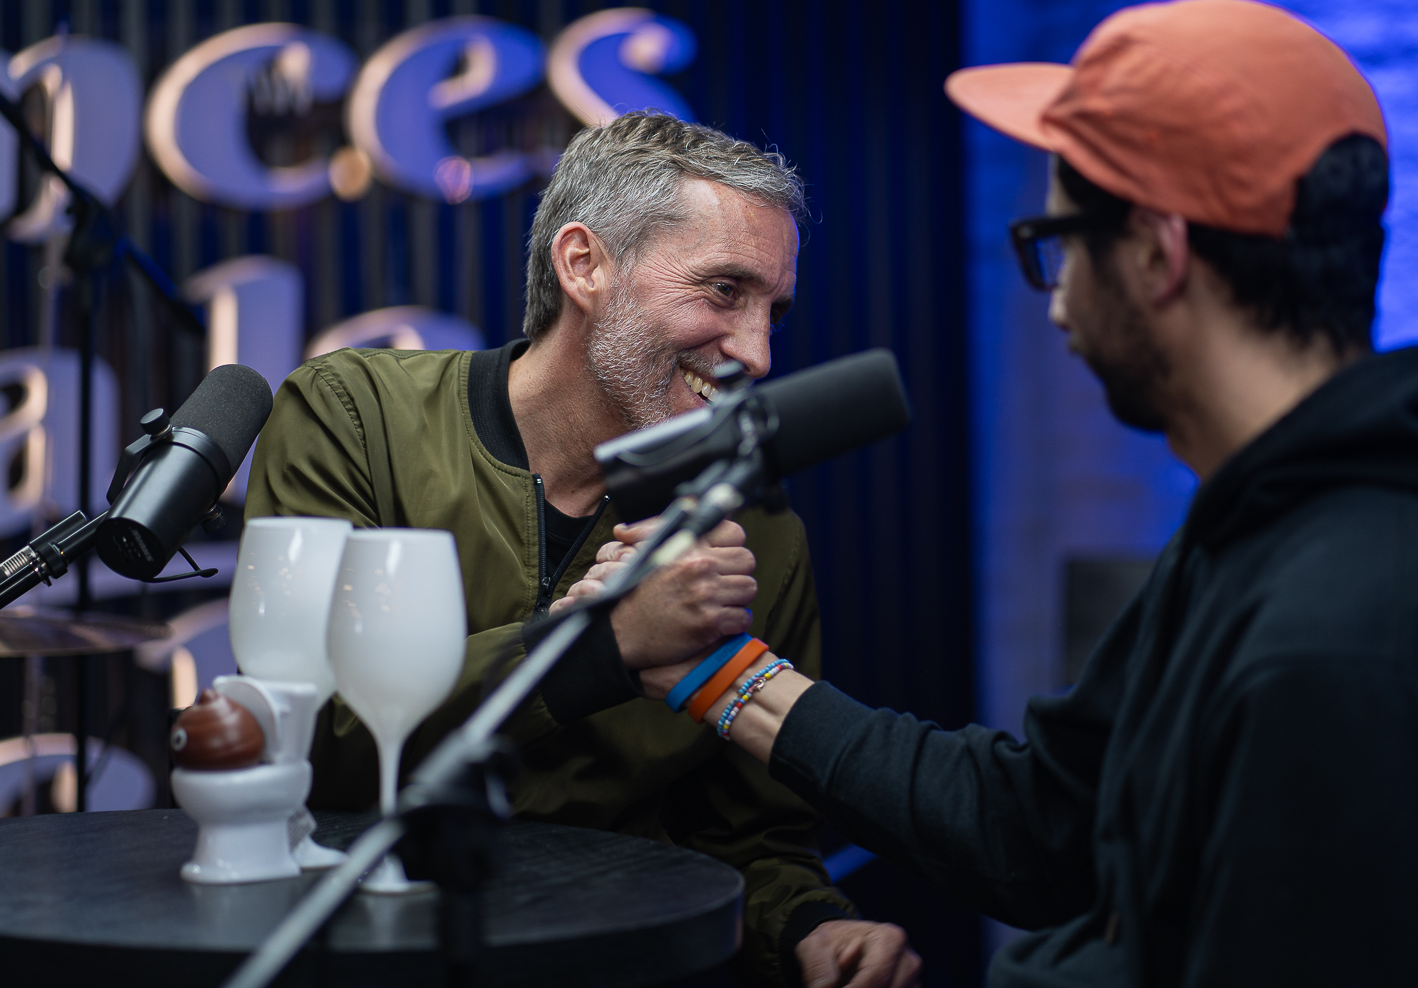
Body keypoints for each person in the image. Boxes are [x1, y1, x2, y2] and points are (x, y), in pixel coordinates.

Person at [573, 0, 1418, 986]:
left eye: (1060, 241)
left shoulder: (1353, 628)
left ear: (1155, 253)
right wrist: (718, 672)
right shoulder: (1268, 534)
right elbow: (1040, 826)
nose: (1054, 298)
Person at [244, 112, 915, 987]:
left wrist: (811, 927)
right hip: (359, 953)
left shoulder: (758, 531)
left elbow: (751, 840)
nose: (756, 350)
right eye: (722, 292)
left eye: (773, 310)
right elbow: (312, 736)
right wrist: (602, 643)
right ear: (584, 263)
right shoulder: (357, 417)